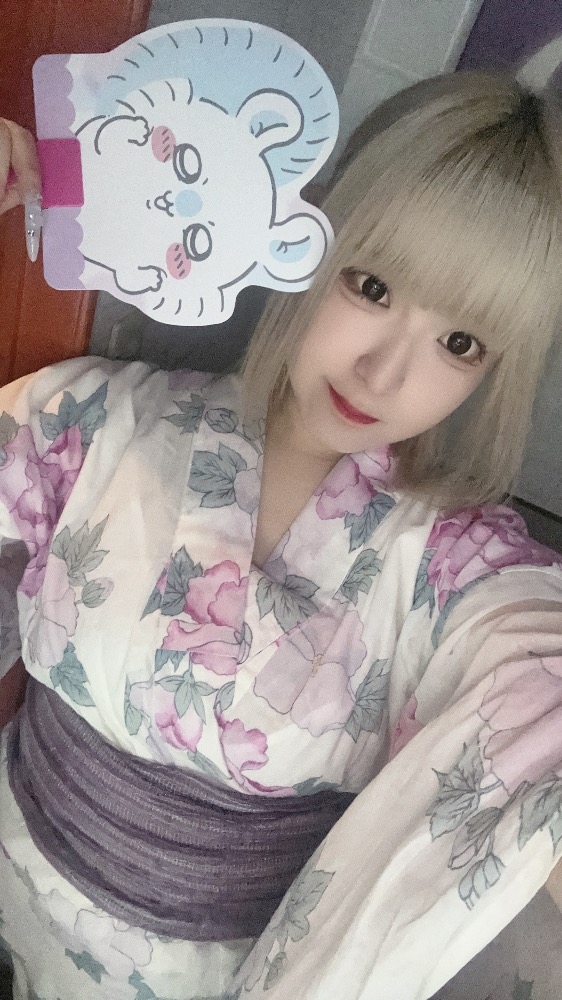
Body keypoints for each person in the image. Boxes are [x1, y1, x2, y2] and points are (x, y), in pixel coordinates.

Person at [1, 69, 562, 1000]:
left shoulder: (459, 568)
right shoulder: (98, 417)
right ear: (305, 235)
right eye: (373, 286)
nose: (384, 372)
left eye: (460, 343)